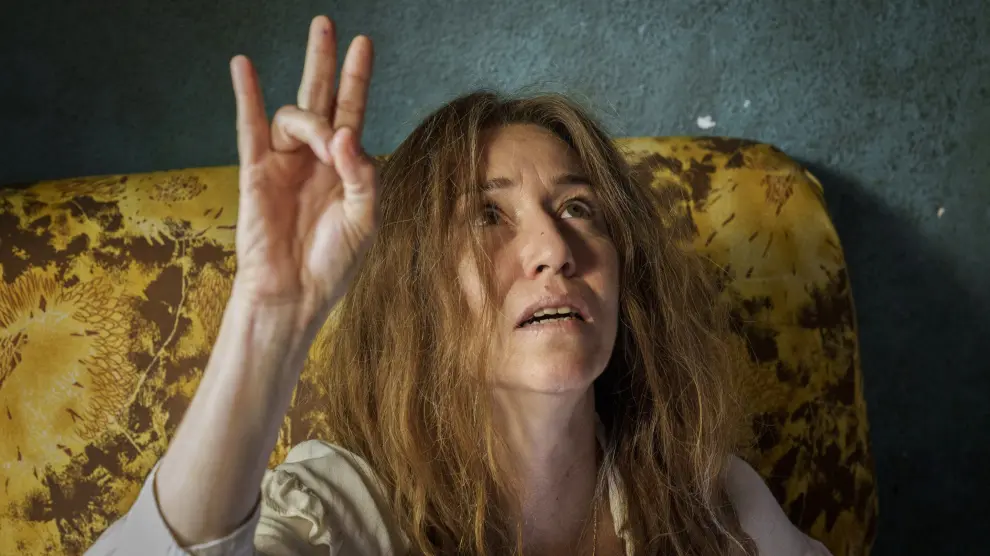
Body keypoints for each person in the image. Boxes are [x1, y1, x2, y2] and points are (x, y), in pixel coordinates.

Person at [87, 14, 832, 556]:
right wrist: (268, 317)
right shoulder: (342, 516)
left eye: (579, 208)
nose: (554, 250)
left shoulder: (710, 499)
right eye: (486, 216)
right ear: (417, 290)